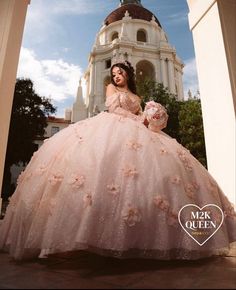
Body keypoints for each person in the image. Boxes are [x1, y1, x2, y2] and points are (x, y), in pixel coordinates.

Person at [0, 61, 235, 261]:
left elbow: (138, 113)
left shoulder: (137, 96)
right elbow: (115, 110)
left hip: (139, 130)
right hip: (113, 129)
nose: (116, 76)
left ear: (128, 74)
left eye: (119, 73)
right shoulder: (110, 88)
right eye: (113, 74)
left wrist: (150, 118)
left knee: (153, 178)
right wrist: (138, 120)